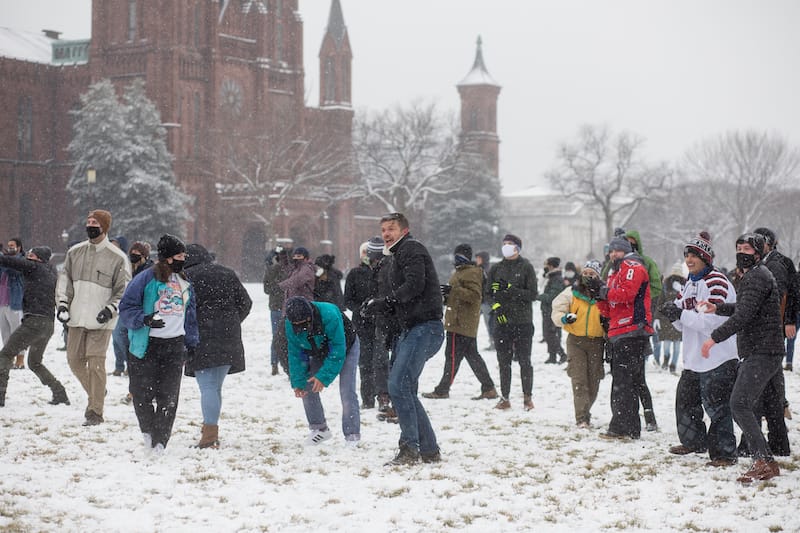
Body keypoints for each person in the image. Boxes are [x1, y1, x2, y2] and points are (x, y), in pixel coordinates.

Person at [699, 232, 784, 482]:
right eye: (738, 248)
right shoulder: (755, 275)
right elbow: (745, 307)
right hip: (761, 349)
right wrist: (719, 307)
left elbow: (744, 316)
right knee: (747, 404)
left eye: (747, 249)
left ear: (757, 253)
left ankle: (765, 460)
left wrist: (714, 337)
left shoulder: (757, 275)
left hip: (763, 350)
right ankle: (765, 458)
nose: (741, 253)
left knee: (739, 404)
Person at [362, 213, 444, 466]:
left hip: (425, 327)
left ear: (404, 230)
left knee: (398, 385)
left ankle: (410, 449)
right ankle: (428, 449)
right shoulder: (396, 256)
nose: (386, 234)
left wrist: (387, 302)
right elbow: (400, 294)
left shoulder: (411, 249)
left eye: (391, 229)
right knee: (404, 387)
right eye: (384, 229)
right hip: (410, 329)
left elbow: (415, 284)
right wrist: (378, 306)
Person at [660, 232, 739, 467]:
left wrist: (681, 314)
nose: (689, 259)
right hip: (694, 357)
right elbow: (684, 318)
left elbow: (712, 323)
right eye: (687, 255)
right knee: (685, 401)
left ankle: (724, 453)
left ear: (706, 258)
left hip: (718, 356)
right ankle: (694, 441)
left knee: (717, 407)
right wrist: (673, 315)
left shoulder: (718, 282)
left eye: (694, 255)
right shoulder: (689, 283)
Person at [119, 234, 199, 452]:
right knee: (142, 393)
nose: (184, 259)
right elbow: (126, 307)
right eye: (180, 255)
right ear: (168, 258)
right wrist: (143, 319)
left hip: (174, 346)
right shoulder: (145, 279)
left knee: (169, 396)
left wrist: (191, 344)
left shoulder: (184, 282)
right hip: (147, 346)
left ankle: (161, 441)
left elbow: (190, 316)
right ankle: (148, 431)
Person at [56, 210, 131, 426]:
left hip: (102, 321)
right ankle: (98, 390)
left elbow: (123, 289)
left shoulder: (117, 257)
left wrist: (110, 309)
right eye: (88, 221)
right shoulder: (74, 252)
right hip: (77, 318)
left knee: (96, 363)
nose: (90, 225)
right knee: (74, 360)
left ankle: (95, 412)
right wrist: (62, 305)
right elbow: (64, 282)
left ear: (105, 227)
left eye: (95, 222)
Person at [183, 243, 252, 449]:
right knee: (215, 387)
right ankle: (210, 428)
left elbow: (181, 308)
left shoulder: (186, 277)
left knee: (207, 387)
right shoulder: (227, 273)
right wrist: (231, 321)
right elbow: (246, 303)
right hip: (228, 336)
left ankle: (210, 435)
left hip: (200, 336)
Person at [588, 236, 654, 440]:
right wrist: (598, 296)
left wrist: (604, 291)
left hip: (632, 329)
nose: (613, 254)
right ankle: (630, 427)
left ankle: (621, 427)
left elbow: (627, 294)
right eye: (610, 251)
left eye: (617, 251)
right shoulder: (614, 273)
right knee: (626, 382)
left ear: (625, 250)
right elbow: (609, 309)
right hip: (618, 330)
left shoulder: (632, 265)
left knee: (624, 383)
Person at [422, 243, 497, 401]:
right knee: (472, 357)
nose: (456, 259)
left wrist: (453, 291)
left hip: (461, 322)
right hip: (460, 321)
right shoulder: (461, 271)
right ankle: (488, 388)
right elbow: (459, 295)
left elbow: (475, 296)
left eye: (460, 256)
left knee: (452, 357)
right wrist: (447, 296)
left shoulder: (471, 272)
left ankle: (443, 390)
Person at [285, 296, 360, 447]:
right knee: (307, 385)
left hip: (346, 346)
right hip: (318, 349)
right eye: (297, 326)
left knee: (346, 390)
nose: (301, 329)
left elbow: (338, 350)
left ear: (310, 317)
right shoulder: (289, 323)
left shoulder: (329, 314)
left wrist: (323, 376)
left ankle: (352, 435)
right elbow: (296, 353)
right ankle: (320, 429)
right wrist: (297, 382)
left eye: (304, 324)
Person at [0, 246, 69, 407]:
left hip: (34, 323)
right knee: (35, 362)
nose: (28, 257)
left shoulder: (34, 267)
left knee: (5, 355)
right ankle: (59, 392)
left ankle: (0, 395)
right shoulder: (51, 271)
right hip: (48, 325)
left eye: (31, 255)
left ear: (39, 259)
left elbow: (10, 262)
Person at [551, 260, 605, 428]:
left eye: (592, 274)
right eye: (586, 273)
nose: (588, 277)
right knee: (579, 379)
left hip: (597, 341)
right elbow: (557, 310)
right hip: (576, 341)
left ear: (598, 276)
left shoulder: (603, 294)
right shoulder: (571, 292)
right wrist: (564, 318)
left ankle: (586, 410)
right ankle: (581, 417)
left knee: (594, 381)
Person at [488, 234, 538, 410]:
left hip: (522, 321)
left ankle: (527, 398)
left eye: (510, 244)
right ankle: (505, 398)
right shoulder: (496, 269)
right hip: (501, 321)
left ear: (517, 248)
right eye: (504, 244)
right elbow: (488, 293)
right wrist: (496, 307)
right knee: (503, 362)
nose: (506, 247)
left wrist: (510, 289)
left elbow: (532, 294)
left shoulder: (526, 267)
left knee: (525, 361)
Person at [344, 238, 389, 409]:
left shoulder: (385, 271)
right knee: (364, 362)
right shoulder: (355, 274)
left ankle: (383, 396)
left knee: (381, 361)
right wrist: (361, 309)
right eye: (364, 253)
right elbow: (347, 299)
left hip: (381, 324)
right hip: (361, 325)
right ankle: (367, 398)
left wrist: (379, 309)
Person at [110, 239, 150, 377]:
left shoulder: (147, 270)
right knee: (117, 336)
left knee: (122, 335)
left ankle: (130, 364)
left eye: (137, 253)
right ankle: (120, 365)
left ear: (144, 255)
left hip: (138, 308)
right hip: (125, 306)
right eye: (132, 253)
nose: (134, 255)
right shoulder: (127, 267)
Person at [263, 245, 290, 375]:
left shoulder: (271, 270)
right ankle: (288, 364)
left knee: (276, 337)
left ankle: (274, 364)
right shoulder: (291, 270)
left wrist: (276, 289)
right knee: (291, 336)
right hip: (289, 307)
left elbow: (266, 289)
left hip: (276, 306)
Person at [654, 262, 686, 373]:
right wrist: (657, 317)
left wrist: (681, 291)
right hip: (667, 319)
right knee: (667, 344)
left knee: (676, 346)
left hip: (677, 318)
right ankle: (666, 363)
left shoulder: (685, 285)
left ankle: (673, 365)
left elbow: (686, 301)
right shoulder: (666, 285)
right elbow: (660, 301)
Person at [0, 239, 25, 369]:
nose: (10, 248)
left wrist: (3, 260)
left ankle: (20, 359)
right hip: (2, 301)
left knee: (17, 332)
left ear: (19, 247)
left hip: (15, 302)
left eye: (12, 246)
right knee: (5, 333)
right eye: (8, 246)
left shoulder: (22, 260)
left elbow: (14, 271)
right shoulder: (4, 260)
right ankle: (8, 358)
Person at [539, 257, 567, 364]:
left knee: (550, 334)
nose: (544, 267)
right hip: (548, 310)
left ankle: (562, 354)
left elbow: (552, 296)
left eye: (546, 264)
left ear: (550, 266)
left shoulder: (556, 279)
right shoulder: (551, 277)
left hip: (552, 310)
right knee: (550, 333)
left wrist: (538, 296)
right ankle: (552, 356)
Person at [475, 251, 496, 351]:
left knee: (490, 323)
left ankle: (493, 343)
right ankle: (493, 342)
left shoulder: (485, 270)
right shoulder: (482, 269)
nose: (477, 260)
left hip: (486, 302)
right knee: (489, 323)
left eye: (479, 258)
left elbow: (487, 286)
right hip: (483, 301)